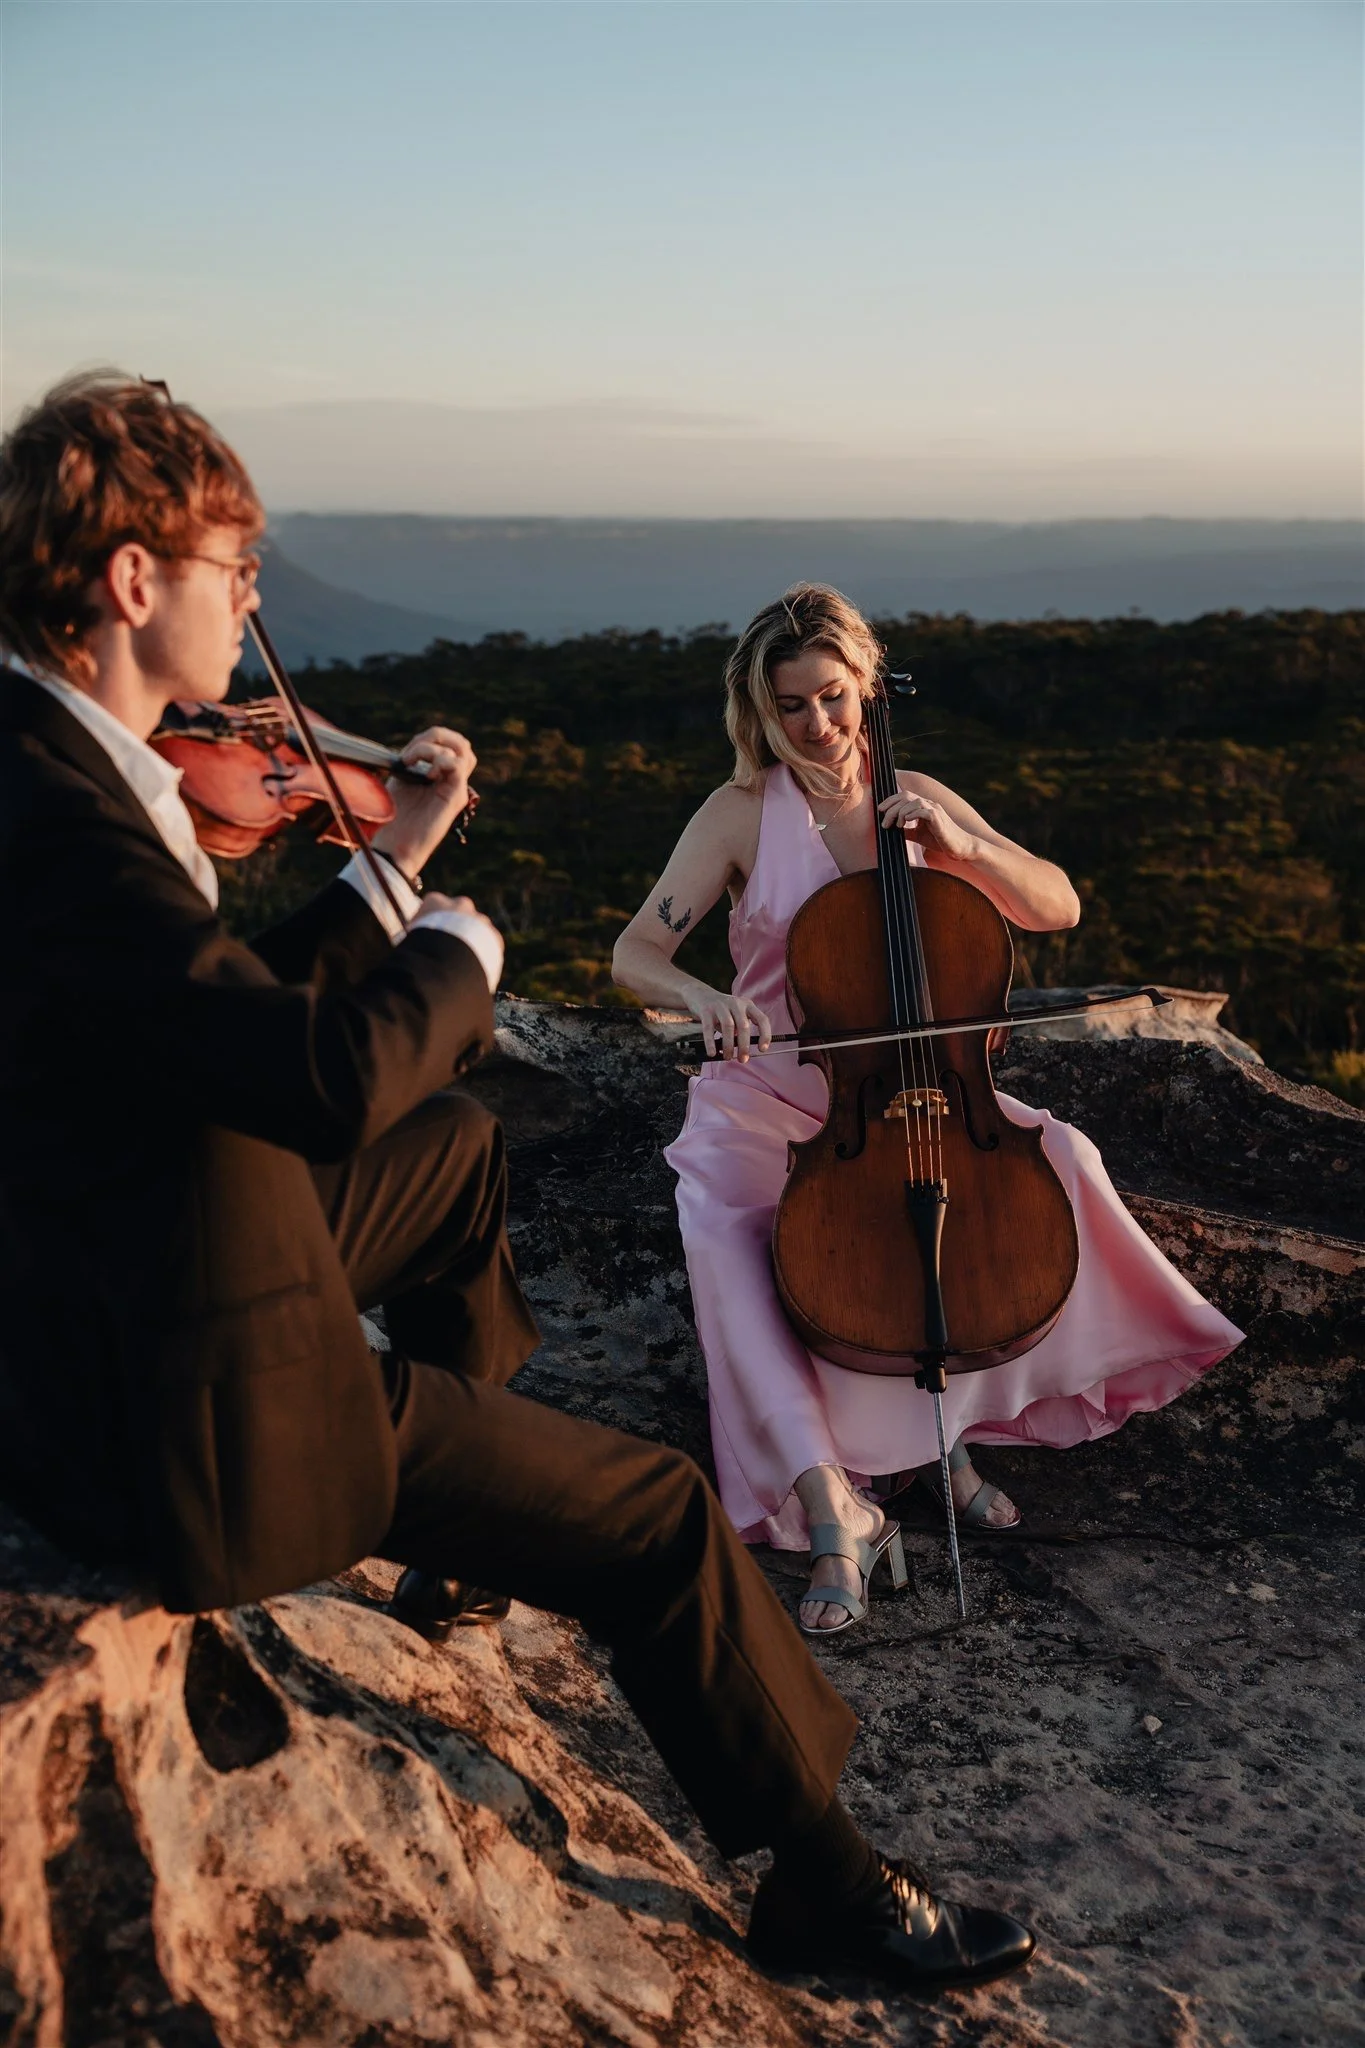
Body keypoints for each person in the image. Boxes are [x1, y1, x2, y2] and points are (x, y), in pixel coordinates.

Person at [0, 376, 1034, 1993]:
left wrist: (386, 870)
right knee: (658, 1516)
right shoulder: (60, 820)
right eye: (236, 566)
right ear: (137, 581)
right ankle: (827, 1881)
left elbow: (196, 1007)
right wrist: (454, 958)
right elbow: (318, 1078)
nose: (252, 600)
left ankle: (463, 1532)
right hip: (194, 1396)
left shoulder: (37, 764)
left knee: (462, 1147)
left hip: (132, 1265)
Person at [612, 584, 1244, 1633]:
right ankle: (831, 1506)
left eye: (832, 696)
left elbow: (1058, 904)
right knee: (724, 1228)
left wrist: (966, 842)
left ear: (867, 687)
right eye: (791, 706)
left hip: (918, 1087)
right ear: (759, 711)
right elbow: (637, 951)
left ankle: (947, 1436)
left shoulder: (918, 796)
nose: (817, 724)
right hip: (766, 1091)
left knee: (1061, 1156)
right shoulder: (738, 812)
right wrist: (702, 997)